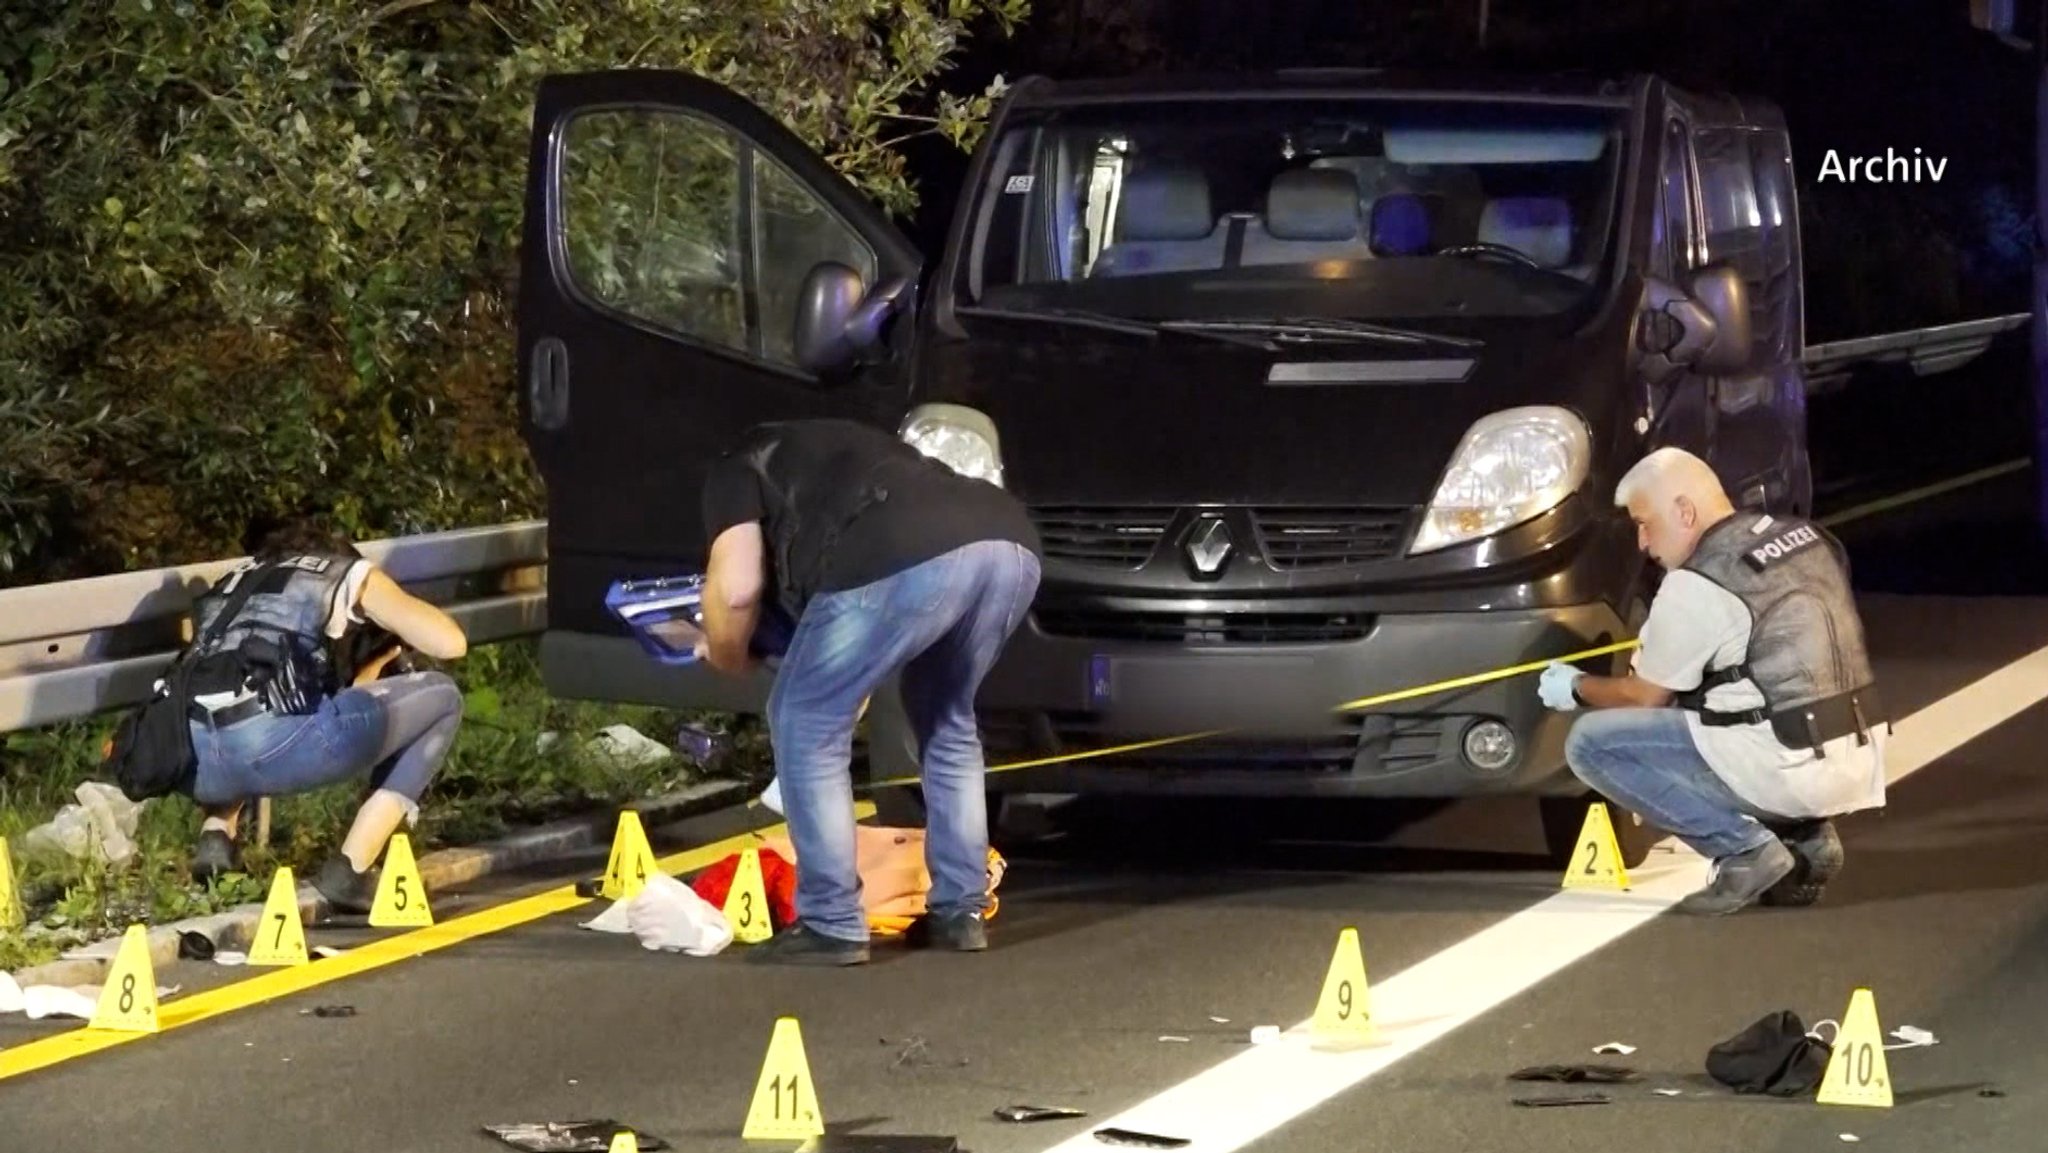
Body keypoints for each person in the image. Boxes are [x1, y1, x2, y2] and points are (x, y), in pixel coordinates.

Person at [696, 417, 1042, 965]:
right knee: (946, 719)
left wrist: (723, 652)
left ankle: (831, 921)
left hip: (906, 546)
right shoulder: (836, 449)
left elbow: (736, 591)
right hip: (1009, 543)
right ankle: (959, 912)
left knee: (803, 718)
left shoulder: (734, 466)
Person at [1537, 448, 1888, 915]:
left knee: (1592, 744)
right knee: (1723, 699)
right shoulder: (1805, 539)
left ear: (1685, 512)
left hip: (1788, 764)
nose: (1642, 542)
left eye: (1645, 523)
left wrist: (1575, 687)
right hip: (1859, 751)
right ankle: (1807, 839)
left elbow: (1644, 698)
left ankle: (1744, 851)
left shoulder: (1696, 582)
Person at [183, 520, 470, 914]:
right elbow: (450, 643)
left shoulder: (233, 582)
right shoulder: (342, 574)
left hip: (193, 761)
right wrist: (383, 610)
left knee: (233, 708)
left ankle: (216, 833)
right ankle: (351, 869)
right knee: (443, 698)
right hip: (275, 746)